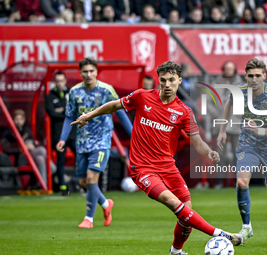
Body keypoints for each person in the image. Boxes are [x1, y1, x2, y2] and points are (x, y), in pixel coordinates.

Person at [71, 61, 244, 255]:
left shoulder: (184, 111)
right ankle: (220, 233)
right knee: (173, 203)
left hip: (168, 168)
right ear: (159, 81)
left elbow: (198, 143)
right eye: (163, 80)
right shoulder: (142, 97)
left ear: (179, 80)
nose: (167, 84)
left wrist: (209, 152)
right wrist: (90, 115)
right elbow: (114, 105)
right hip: (143, 169)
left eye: (171, 80)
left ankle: (176, 251)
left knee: (186, 214)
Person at [217, 58, 267, 244]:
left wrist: (261, 130)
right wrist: (223, 130)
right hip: (248, 143)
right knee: (241, 182)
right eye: (251, 76)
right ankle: (246, 227)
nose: (254, 79)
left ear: (264, 76)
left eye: (258, 75)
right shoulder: (239, 91)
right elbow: (229, 103)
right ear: (245, 76)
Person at [56, 58, 133, 228]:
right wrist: (63, 138)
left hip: (101, 141)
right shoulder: (74, 92)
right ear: (80, 73)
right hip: (81, 142)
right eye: (85, 71)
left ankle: (88, 219)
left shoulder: (107, 90)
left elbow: (120, 112)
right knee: (84, 183)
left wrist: (133, 134)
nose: (88, 74)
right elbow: (69, 116)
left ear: (97, 72)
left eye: (91, 71)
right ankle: (106, 204)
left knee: (91, 179)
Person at [209, 61, 243, 189]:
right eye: (227, 69)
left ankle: (237, 182)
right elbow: (208, 102)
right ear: (223, 69)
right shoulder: (215, 84)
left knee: (237, 153)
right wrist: (217, 114)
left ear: (234, 70)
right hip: (219, 123)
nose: (228, 71)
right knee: (219, 155)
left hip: (236, 123)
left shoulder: (241, 85)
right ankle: (219, 182)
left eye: (231, 69)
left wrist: (238, 114)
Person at [45, 71, 77, 195]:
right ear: (55, 82)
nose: (59, 83)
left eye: (61, 81)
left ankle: (81, 183)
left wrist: (61, 110)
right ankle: (62, 186)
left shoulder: (71, 93)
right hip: (59, 135)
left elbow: (75, 110)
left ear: (65, 81)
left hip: (73, 133)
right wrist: (66, 111)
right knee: (60, 160)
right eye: (57, 81)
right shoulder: (50, 96)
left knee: (81, 156)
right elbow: (51, 112)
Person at [1, 109, 51, 185]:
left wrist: (32, 146)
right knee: (41, 150)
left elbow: (34, 143)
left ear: (24, 120)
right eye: (17, 119)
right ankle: (52, 168)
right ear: (13, 119)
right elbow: (6, 148)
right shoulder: (9, 132)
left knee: (40, 158)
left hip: (33, 156)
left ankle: (43, 185)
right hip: (21, 158)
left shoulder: (27, 130)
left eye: (21, 119)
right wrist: (23, 148)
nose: (19, 121)